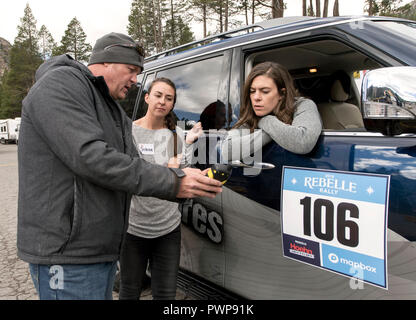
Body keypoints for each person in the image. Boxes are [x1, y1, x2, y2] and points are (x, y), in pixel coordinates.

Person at [17, 32, 222, 300]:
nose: (135, 81)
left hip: (98, 249)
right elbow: (92, 157)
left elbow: (134, 164)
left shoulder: (109, 107)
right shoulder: (61, 84)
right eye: (131, 70)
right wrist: (174, 181)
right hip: (68, 253)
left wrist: (183, 176)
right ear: (105, 62)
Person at [119, 77, 199, 300]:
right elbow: (125, 176)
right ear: (147, 98)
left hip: (167, 229)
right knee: (129, 290)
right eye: (158, 95)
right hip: (133, 229)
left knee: (165, 294)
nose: (163, 101)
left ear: (172, 104)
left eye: (169, 98)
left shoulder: (174, 136)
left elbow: (182, 173)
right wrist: (166, 170)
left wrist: (186, 154)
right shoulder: (129, 133)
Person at [221, 61, 322, 162]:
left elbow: (303, 141)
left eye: (265, 91)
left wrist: (266, 121)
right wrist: (269, 130)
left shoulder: (302, 105)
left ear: (282, 93)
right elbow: (226, 152)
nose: (256, 97)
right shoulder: (252, 115)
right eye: (252, 91)